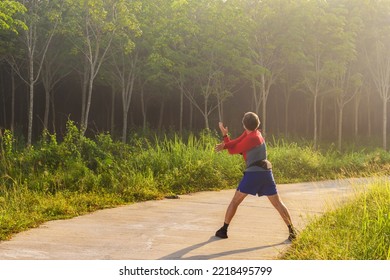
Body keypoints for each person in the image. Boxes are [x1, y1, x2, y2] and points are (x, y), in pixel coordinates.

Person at [214, 112, 297, 241]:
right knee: (278, 203)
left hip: (253, 174)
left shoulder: (252, 138)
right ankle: (292, 231)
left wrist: (225, 138)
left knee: (235, 201)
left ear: (244, 125)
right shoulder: (254, 134)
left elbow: (232, 150)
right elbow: (236, 142)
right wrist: (226, 141)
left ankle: (224, 230)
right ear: (257, 124)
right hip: (266, 173)